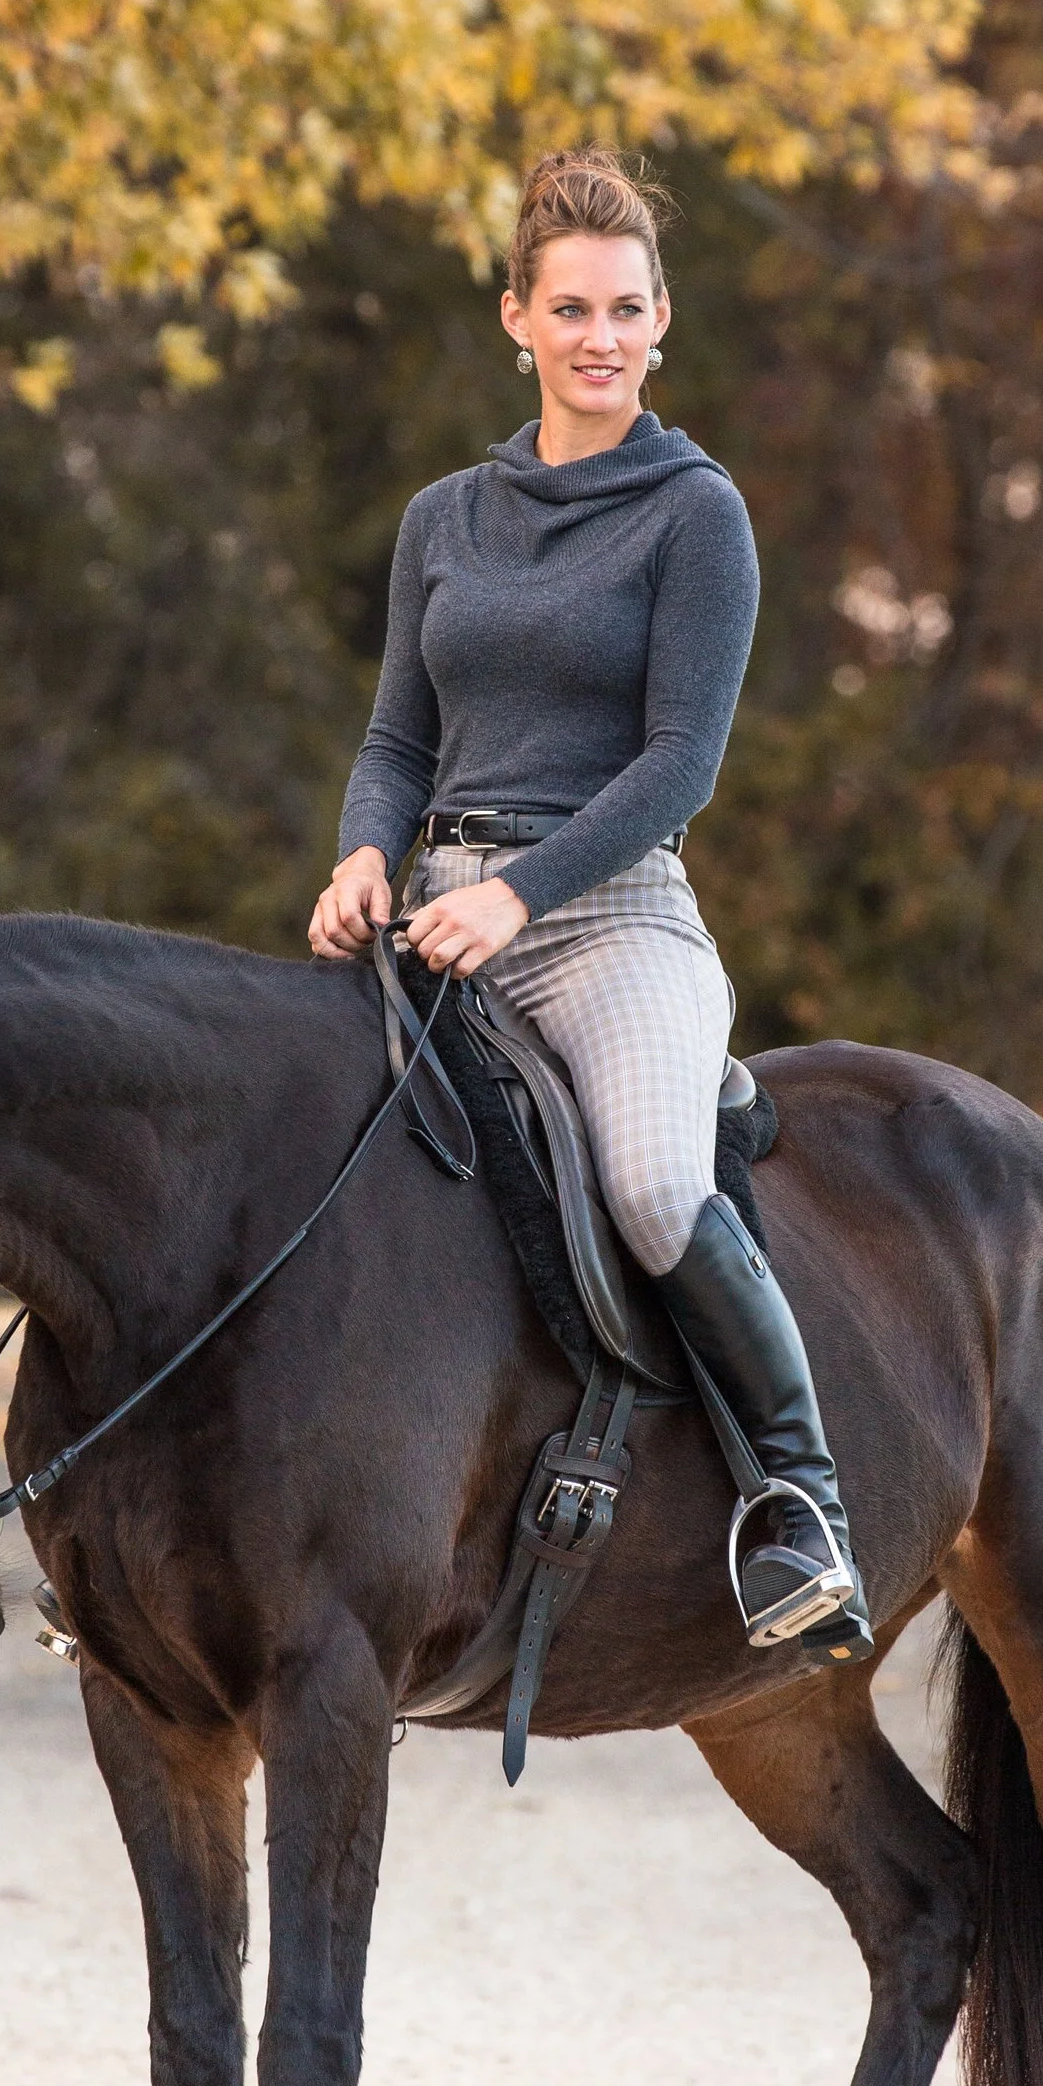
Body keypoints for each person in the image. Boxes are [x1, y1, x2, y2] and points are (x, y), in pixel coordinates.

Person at [308, 146, 872, 1666]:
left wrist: (519, 892)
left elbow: (679, 762)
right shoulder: (446, 516)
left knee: (643, 1185)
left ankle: (798, 1503)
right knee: (284, 1148)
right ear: (516, 317)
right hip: (432, 912)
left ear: (662, 322)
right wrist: (367, 853)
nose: (599, 336)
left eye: (626, 308)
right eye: (571, 307)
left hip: (610, 912)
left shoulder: (698, 516)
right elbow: (397, 742)